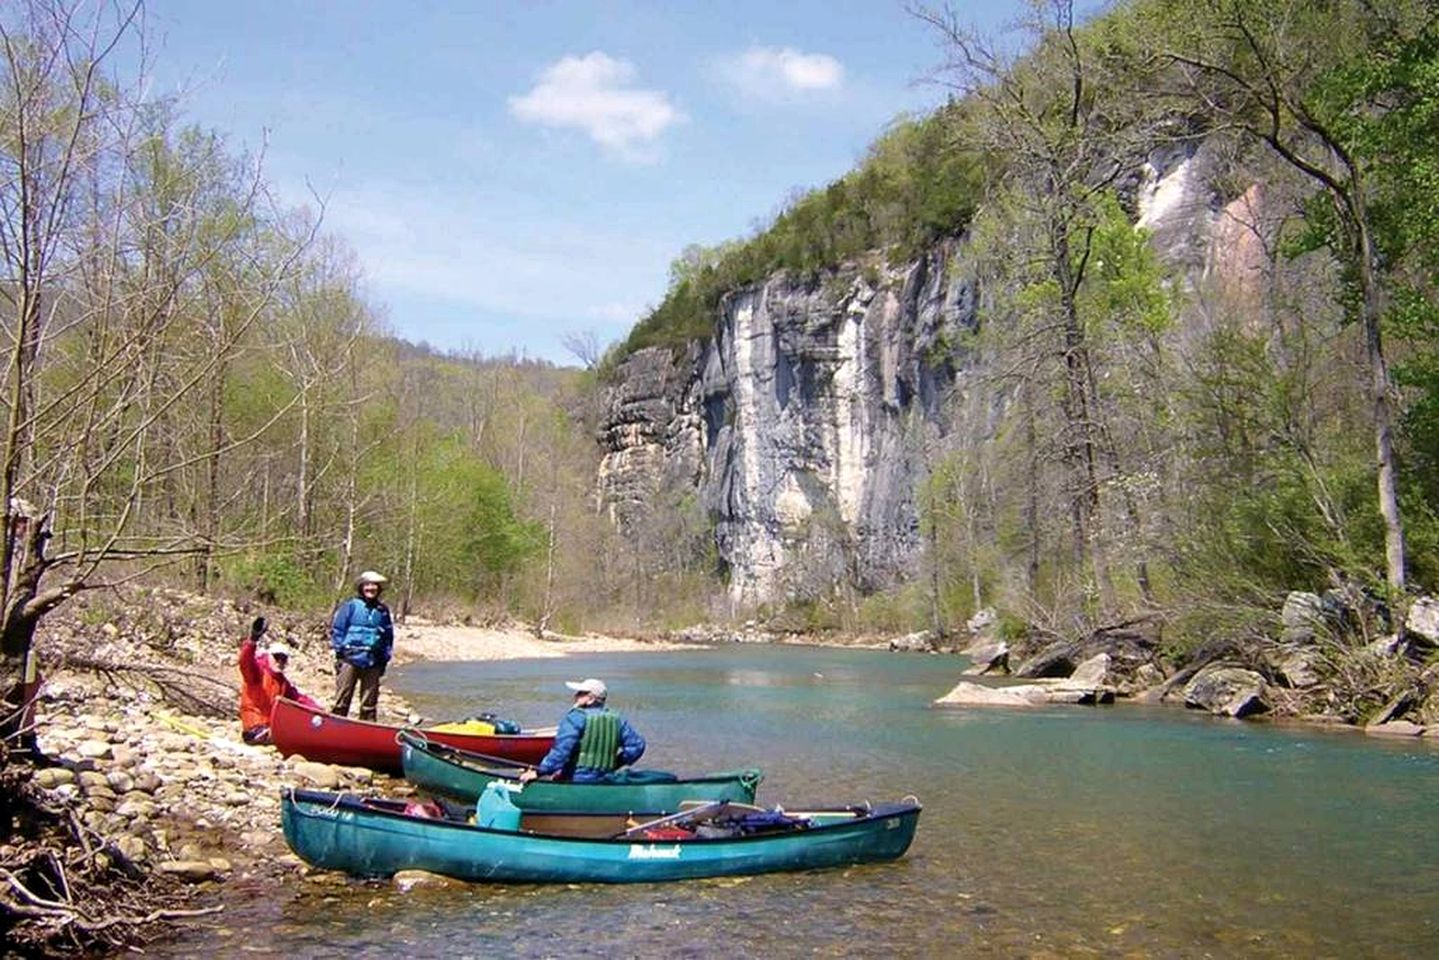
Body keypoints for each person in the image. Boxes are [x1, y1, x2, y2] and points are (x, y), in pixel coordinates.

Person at [519, 678, 645, 784]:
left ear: (591, 698)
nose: (576, 696)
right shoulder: (618, 719)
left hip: (576, 778)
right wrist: (615, 764)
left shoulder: (575, 717)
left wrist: (539, 772)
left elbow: (561, 751)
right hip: (605, 778)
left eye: (581, 693)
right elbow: (637, 746)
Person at [238, 617, 319, 744]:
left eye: (283, 659)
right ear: (269, 657)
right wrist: (253, 640)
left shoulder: (282, 682)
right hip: (254, 729)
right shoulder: (256, 673)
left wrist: (319, 711)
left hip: (269, 728)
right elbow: (245, 661)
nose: (280, 662)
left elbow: (299, 699)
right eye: (277, 657)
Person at [330, 570, 394, 721]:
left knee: (369, 703)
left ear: (379, 589)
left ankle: (368, 731)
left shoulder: (382, 611)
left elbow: (388, 636)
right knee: (342, 698)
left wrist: (385, 658)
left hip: (373, 660)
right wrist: (340, 652)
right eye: (367, 585)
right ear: (361, 587)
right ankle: (335, 729)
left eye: (374, 586)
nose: (371, 589)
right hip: (349, 658)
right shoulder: (350, 606)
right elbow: (338, 629)